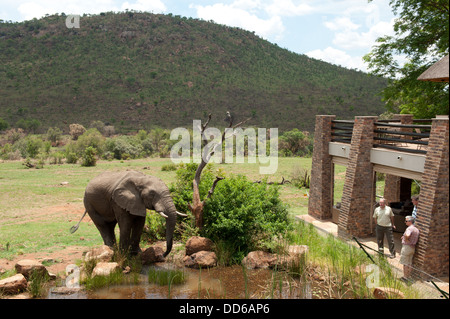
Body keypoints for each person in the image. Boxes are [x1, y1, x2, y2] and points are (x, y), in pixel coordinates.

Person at [400, 216, 420, 282]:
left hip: (407, 247)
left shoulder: (409, 229)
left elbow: (408, 235)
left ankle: (405, 277)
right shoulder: (416, 229)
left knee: (405, 263)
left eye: (406, 221)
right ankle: (409, 276)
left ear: (410, 221)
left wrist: (406, 239)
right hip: (412, 247)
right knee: (409, 263)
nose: (405, 222)